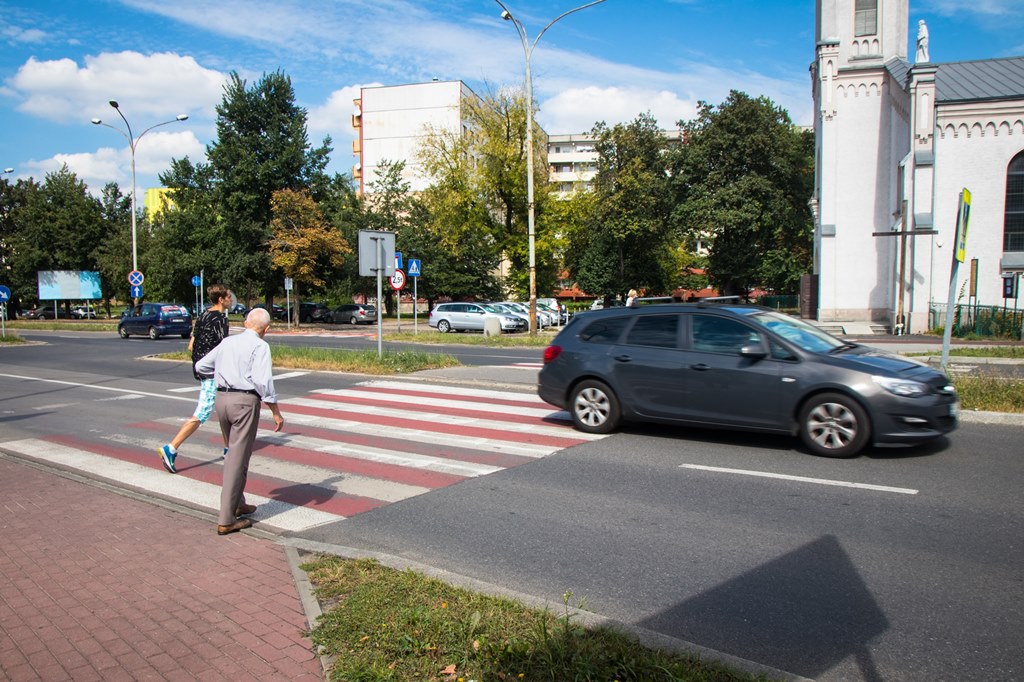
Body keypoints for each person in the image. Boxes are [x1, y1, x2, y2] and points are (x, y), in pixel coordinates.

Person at [195, 307, 285, 535]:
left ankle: (238, 502)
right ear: (266, 329)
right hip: (244, 402)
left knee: (235, 453)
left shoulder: (227, 342)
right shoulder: (260, 346)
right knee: (237, 459)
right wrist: (275, 411)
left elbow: (201, 366)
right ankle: (226, 519)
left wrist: (221, 376)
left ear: (246, 323)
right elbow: (263, 382)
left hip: (222, 399)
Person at [159, 284, 232, 474]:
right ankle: (171, 448)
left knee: (223, 410)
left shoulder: (203, 315)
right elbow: (223, 348)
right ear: (221, 300)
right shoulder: (220, 319)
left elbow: (191, 344)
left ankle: (228, 449)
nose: (231, 300)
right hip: (212, 372)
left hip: (201, 368)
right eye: (229, 297)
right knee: (203, 412)